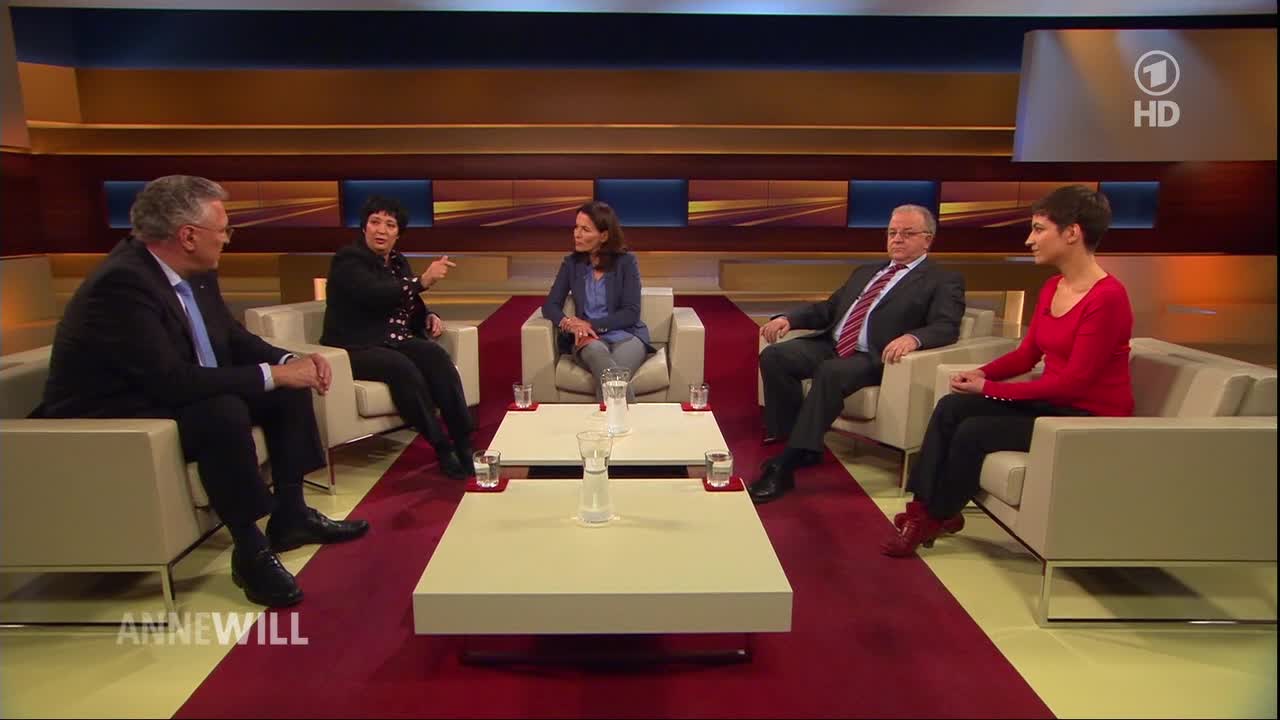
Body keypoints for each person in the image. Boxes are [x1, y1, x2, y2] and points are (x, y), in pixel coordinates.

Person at [32, 175, 369, 608]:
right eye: (223, 229)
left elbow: (230, 336)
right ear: (188, 236)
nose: (227, 239)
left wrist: (288, 361)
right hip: (113, 411)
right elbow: (169, 380)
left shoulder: (197, 273)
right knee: (222, 411)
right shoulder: (121, 285)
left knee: (285, 391)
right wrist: (273, 373)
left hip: (172, 390)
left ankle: (291, 516)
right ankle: (250, 550)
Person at [883, 185, 1133, 557]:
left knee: (974, 431)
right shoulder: (1054, 286)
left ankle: (936, 516)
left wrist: (988, 389)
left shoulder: (1108, 298)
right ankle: (922, 510)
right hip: (1053, 403)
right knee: (952, 407)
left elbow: (1073, 384)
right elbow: (1027, 354)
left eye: (1038, 229)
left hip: (1085, 416)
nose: (1029, 240)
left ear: (1072, 233)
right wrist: (981, 374)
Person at [751, 204, 965, 504]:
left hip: (875, 356)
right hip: (832, 344)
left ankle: (785, 465)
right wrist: (790, 318)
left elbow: (946, 325)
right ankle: (797, 443)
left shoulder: (942, 279)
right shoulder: (866, 272)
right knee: (776, 356)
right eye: (892, 232)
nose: (897, 239)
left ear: (927, 239)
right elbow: (829, 309)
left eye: (907, 233)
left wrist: (914, 338)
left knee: (831, 372)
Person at [319, 196, 473, 478]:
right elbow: (375, 293)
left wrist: (428, 316)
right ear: (364, 227)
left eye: (390, 224)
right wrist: (422, 281)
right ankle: (442, 447)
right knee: (401, 367)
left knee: (437, 357)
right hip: (355, 345)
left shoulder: (398, 262)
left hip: (394, 340)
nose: (381, 230)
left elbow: (407, 300)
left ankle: (464, 443)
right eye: (375, 222)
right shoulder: (348, 260)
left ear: (398, 233)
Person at [541, 201, 653, 402]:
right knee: (602, 361)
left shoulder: (626, 262)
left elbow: (631, 312)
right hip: (588, 339)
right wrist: (570, 324)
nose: (577, 234)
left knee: (613, 375)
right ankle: (631, 419)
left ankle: (609, 419)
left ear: (604, 236)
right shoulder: (571, 264)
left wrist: (590, 324)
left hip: (628, 335)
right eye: (576, 227)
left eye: (585, 229)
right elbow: (550, 305)